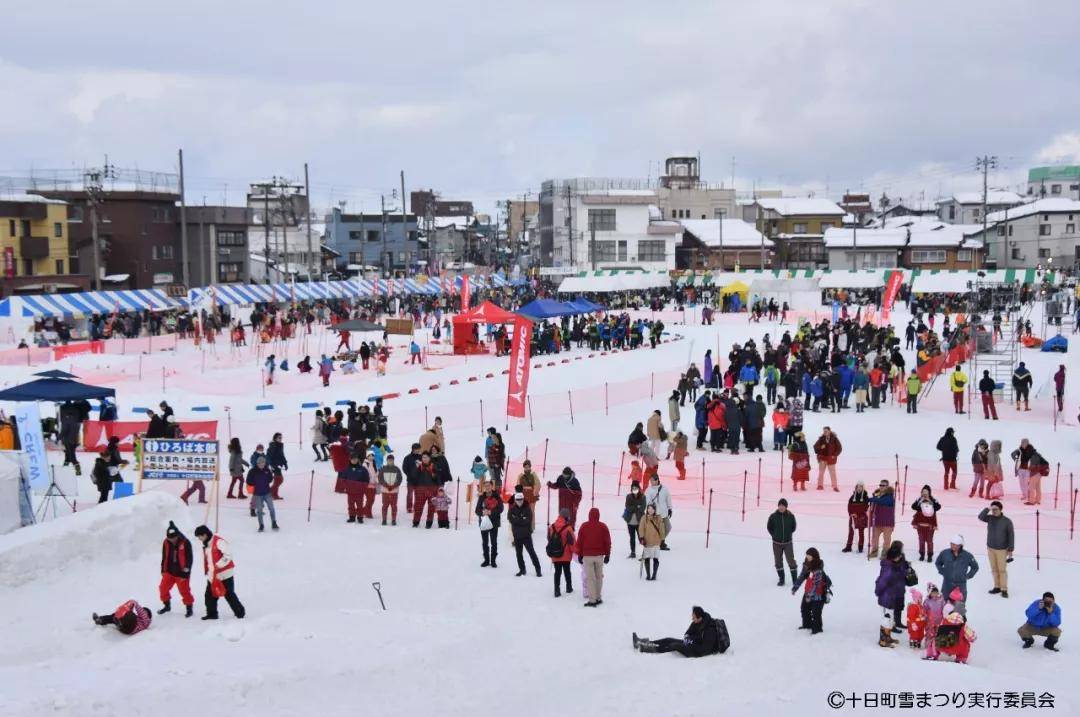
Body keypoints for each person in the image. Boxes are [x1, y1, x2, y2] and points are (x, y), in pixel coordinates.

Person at [193, 525, 245, 620]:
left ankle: (240, 613)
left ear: (205, 535)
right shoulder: (207, 544)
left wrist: (219, 565)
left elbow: (228, 555)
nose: (199, 539)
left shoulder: (219, 541)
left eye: (199, 536)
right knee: (209, 595)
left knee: (229, 594)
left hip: (225, 574)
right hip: (213, 575)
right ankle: (212, 614)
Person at [633, 606, 724, 656]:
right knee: (668, 639)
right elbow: (688, 633)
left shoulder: (710, 630)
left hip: (697, 651)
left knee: (674, 645)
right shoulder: (697, 622)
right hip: (692, 644)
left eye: (694, 617)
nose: (692, 618)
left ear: (700, 618)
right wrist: (688, 638)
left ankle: (645, 648)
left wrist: (692, 643)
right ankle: (643, 642)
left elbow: (705, 650)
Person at [876, 541, 911, 646]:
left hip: (893, 596)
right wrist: (879, 593)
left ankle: (888, 636)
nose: (900, 557)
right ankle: (883, 640)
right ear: (893, 557)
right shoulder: (889, 569)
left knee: (890, 619)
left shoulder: (896, 566)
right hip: (887, 597)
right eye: (899, 556)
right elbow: (882, 582)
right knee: (886, 619)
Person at [157, 521, 194, 617]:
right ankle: (167, 606)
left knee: (185, 591)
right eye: (169, 538)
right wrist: (163, 570)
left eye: (173, 538)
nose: (171, 540)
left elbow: (189, 559)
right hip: (169, 572)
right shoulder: (166, 542)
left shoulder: (185, 542)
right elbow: (164, 556)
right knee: (163, 588)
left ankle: (189, 608)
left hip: (181, 573)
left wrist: (186, 573)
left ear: (177, 535)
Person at [576, 507, 611, 607]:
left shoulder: (584, 526)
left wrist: (579, 554)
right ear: (598, 515)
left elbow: (580, 542)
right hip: (599, 556)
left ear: (589, 515)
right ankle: (598, 597)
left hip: (587, 556)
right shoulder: (603, 526)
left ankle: (592, 600)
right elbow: (607, 542)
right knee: (599, 577)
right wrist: (608, 554)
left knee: (590, 578)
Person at [978, 501, 1014, 598]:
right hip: (990, 548)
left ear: (1000, 509)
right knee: (994, 569)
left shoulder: (1007, 521)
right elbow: (980, 517)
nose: (994, 511)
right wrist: (988, 509)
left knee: (1002, 570)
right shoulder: (989, 518)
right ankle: (997, 586)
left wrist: (1010, 550)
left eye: (996, 509)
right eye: (992, 509)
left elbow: (1011, 536)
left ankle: (1004, 589)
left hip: (1002, 550)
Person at [792, 547, 830, 634]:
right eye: (807, 555)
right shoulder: (806, 565)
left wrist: (809, 595)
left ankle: (817, 630)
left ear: (814, 557)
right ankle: (807, 625)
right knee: (804, 608)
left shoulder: (818, 569)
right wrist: (795, 587)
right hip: (808, 592)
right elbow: (802, 576)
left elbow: (816, 585)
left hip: (818, 595)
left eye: (809, 556)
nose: (807, 557)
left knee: (816, 612)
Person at [934, 535, 979, 601]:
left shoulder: (967, 555)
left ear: (960, 545)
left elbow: (975, 567)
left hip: (961, 584)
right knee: (944, 603)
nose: (953, 546)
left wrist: (967, 576)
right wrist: (943, 572)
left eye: (955, 545)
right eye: (951, 544)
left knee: (960, 605)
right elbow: (938, 563)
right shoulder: (945, 553)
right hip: (947, 584)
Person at [508, 491, 542, 577]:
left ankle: (538, 569)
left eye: (521, 500)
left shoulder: (527, 508)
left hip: (526, 535)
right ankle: (522, 570)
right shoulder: (512, 509)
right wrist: (521, 519)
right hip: (517, 535)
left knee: (531, 552)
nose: (519, 501)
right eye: (517, 500)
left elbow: (528, 520)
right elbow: (510, 519)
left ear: (523, 499)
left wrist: (517, 519)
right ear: (515, 500)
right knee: (519, 554)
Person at [767, 498, 797, 586]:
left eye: (783, 506)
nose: (781, 507)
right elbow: (769, 527)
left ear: (786, 507)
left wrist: (788, 534)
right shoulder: (773, 516)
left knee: (791, 561)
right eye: (780, 505)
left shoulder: (791, 516)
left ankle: (795, 580)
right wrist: (774, 535)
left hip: (788, 543)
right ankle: (781, 579)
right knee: (778, 562)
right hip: (777, 543)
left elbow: (793, 527)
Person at [246, 455, 279, 532]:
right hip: (257, 494)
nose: (261, 464)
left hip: (267, 493)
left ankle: (274, 522)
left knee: (271, 508)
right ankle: (261, 525)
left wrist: (265, 482)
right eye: (260, 463)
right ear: (257, 463)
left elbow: (270, 479)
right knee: (259, 511)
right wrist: (255, 483)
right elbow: (248, 481)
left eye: (263, 463)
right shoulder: (253, 471)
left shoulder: (267, 470)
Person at [548, 507, 576, 597]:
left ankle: (557, 590)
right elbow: (572, 543)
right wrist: (576, 552)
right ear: (566, 517)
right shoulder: (568, 528)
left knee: (557, 572)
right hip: (566, 554)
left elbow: (549, 539)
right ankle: (569, 587)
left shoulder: (551, 527)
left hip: (555, 554)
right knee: (567, 571)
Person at [476, 481, 503, 568]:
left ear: (492, 486)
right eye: (485, 486)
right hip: (484, 522)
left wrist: (491, 512)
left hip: (494, 522)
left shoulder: (497, 496)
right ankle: (486, 560)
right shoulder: (481, 497)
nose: (487, 487)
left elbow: (501, 508)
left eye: (489, 486)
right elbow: (477, 510)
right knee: (485, 542)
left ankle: (493, 561)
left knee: (494, 542)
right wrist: (483, 512)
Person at [911, 486, 941, 562]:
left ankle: (930, 555)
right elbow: (914, 507)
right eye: (923, 491)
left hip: (930, 524)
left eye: (926, 491)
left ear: (929, 492)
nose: (924, 493)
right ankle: (922, 554)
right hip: (920, 523)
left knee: (929, 541)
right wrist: (921, 501)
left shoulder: (933, 499)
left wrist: (930, 501)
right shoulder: (919, 499)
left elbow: (938, 507)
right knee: (921, 540)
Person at [638, 504, 667, 581]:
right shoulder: (644, 518)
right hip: (647, 542)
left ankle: (654, 575)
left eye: (652, 509)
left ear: (655, 510)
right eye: (648, 509)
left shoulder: (658, 518)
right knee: (647, 558)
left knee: (655, 558)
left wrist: (662, 538)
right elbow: (641, 528)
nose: (650, 510)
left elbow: (661, 529)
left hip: (656, 541)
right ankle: (648, 575)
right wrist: (641, 538)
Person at [867, 479, 895, 559]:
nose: (881, 487)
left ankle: (885, 553)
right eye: (880, 485)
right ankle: (874, 551)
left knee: (887, 540)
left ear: (887, 487)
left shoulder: (890, 497)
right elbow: (874, 502)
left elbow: (883, 501)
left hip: (887, 522)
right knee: (874, 538)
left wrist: (872, 499)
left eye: (883, 485)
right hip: (877, 520)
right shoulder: (877, 495)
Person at [644, 475, 673, 550]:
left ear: (657, 480)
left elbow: (668, 498)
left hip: (664, 513)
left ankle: (659, 541)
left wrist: (670, 508)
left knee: (668, 527)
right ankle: (661, 543)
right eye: (650, 480)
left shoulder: (664, 489)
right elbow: (647, 502)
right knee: (658, 529)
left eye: (652, 480)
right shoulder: (649, 490)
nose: (651, 482)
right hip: (655, 514)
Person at [339, 454, 370, 524]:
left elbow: (366, 480)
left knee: (360, 505)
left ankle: (360, 517)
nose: (354, 460)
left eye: (355, 459)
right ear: (350, 460)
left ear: (357, 460)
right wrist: (347, 487)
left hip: (359, 492)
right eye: (353, 459)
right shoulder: (347, 469)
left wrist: (362, 487)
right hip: (350, 492)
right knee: (351, 505)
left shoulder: (362, 469)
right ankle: (352, 517)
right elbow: (343, 479)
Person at [843, 481, 869, 553]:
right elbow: (849, 506)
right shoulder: (852, 497)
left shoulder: (865, 497)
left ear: (863, 488)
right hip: (853, 517)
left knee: (861, 532)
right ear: (856, 487)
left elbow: (865, 507)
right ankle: (848, 547)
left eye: (861, 487)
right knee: (851, 532)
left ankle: (860, 547)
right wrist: (851, 513)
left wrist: (858, 514)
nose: (859, 488)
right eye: (858, 486)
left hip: (861, 517)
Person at [813, 427, 841, 492]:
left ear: (829, 431)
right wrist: (820, 447)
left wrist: (835, 455)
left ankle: (835, 486)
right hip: (822, 458)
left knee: (833, 473)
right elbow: (815, 447)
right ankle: (820, 485)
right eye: (824, 431)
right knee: (821, 472)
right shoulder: (821, 439)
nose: (825, 432)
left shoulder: (834, 438)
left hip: (831, 459)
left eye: (826, 431)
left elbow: (839, 448)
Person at [378, 454, 403, 525]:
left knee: (394, 506)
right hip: (385, 490)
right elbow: (380, 478)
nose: (390, 461)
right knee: (385, 505)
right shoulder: (383, 469)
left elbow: (400, 479)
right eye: (389, 460)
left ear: (393, 460)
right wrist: (385, 485)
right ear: (387, 461)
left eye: (391, 460)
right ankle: (384, 519)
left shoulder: (397, 469)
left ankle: (393, 519)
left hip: (394, 491)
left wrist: (394, 486)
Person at [623, 480, 646, 558]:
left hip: (639, 521)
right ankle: (633, 552)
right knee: (632, 537)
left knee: (641, 537)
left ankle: (645, 551)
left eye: (636, 488)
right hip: (630, 521)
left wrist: (634, 507)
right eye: (633, 488)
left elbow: (642, 508)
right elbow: (628, 507)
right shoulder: (628, 496)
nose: (634, 489)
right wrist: (637, 506)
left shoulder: (643, 497)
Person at [1010, 438, 1036, 504]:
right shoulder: (1019, 450)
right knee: (1021, 483)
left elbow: (1035, 458)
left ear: (1027, 443)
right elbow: (1012, 454)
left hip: (1027, 469)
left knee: (1026, 482)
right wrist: (1016, 459)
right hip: (1020, 468)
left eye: (1024, 443)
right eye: (1022, 443)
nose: (1023, 444)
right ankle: (1024, 495)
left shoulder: (1031, 450)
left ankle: (1028, 495)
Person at [266, 432, 288, 500]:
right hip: (274, 465)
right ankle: (269, 492)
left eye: (281, 438)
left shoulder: (280, 445)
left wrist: (285, 463)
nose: (280, 439)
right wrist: (271, 465)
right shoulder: (273, 445)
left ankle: (275, 495)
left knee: (277, 480)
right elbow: (268, 456)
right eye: (279, 438)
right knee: (279, 480)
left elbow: (282, 455)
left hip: (279, 464)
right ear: (275, 438)